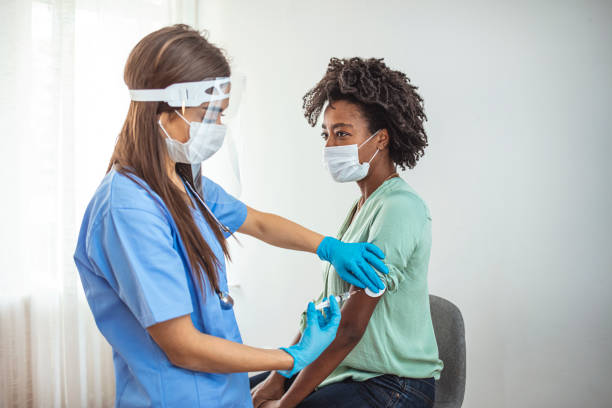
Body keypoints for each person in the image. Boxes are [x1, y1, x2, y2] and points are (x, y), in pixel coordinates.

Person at [73, 26, 390, 407]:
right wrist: (290, 357)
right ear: (165, 111)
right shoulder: (128, 210)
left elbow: (256, 222)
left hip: (223, 393)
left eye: (221, 115)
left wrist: (328, 247)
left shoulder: (181, 180)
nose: (217, 128)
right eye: (209, 115)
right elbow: (183, 347)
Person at [250, 57, 443, 408]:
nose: (329, 147)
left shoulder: (400, 208)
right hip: (349, 372)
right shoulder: (361, 209)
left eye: (342, 133)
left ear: (380, 139)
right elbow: (328, 312)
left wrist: (285, 403)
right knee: (231, 392)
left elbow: (351, 328)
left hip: (393, 385)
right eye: (326, 134)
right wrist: (277, 378)